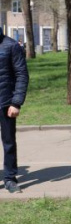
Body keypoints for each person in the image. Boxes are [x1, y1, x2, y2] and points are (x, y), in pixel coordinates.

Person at [0, 27, 28, 194]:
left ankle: (10, 178)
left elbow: (22, 75)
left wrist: (16, 103)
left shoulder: (11, 46)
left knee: (8, 143)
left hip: (5, 103)